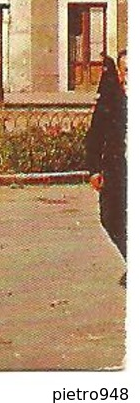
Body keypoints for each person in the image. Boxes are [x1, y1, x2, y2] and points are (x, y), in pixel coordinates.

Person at [86, 50, 126, 279]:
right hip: (116, 169)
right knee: (110, 217)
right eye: (127, 70)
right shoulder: (111, 102)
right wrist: (93, 170)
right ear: (120, 75)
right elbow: (95, 135)